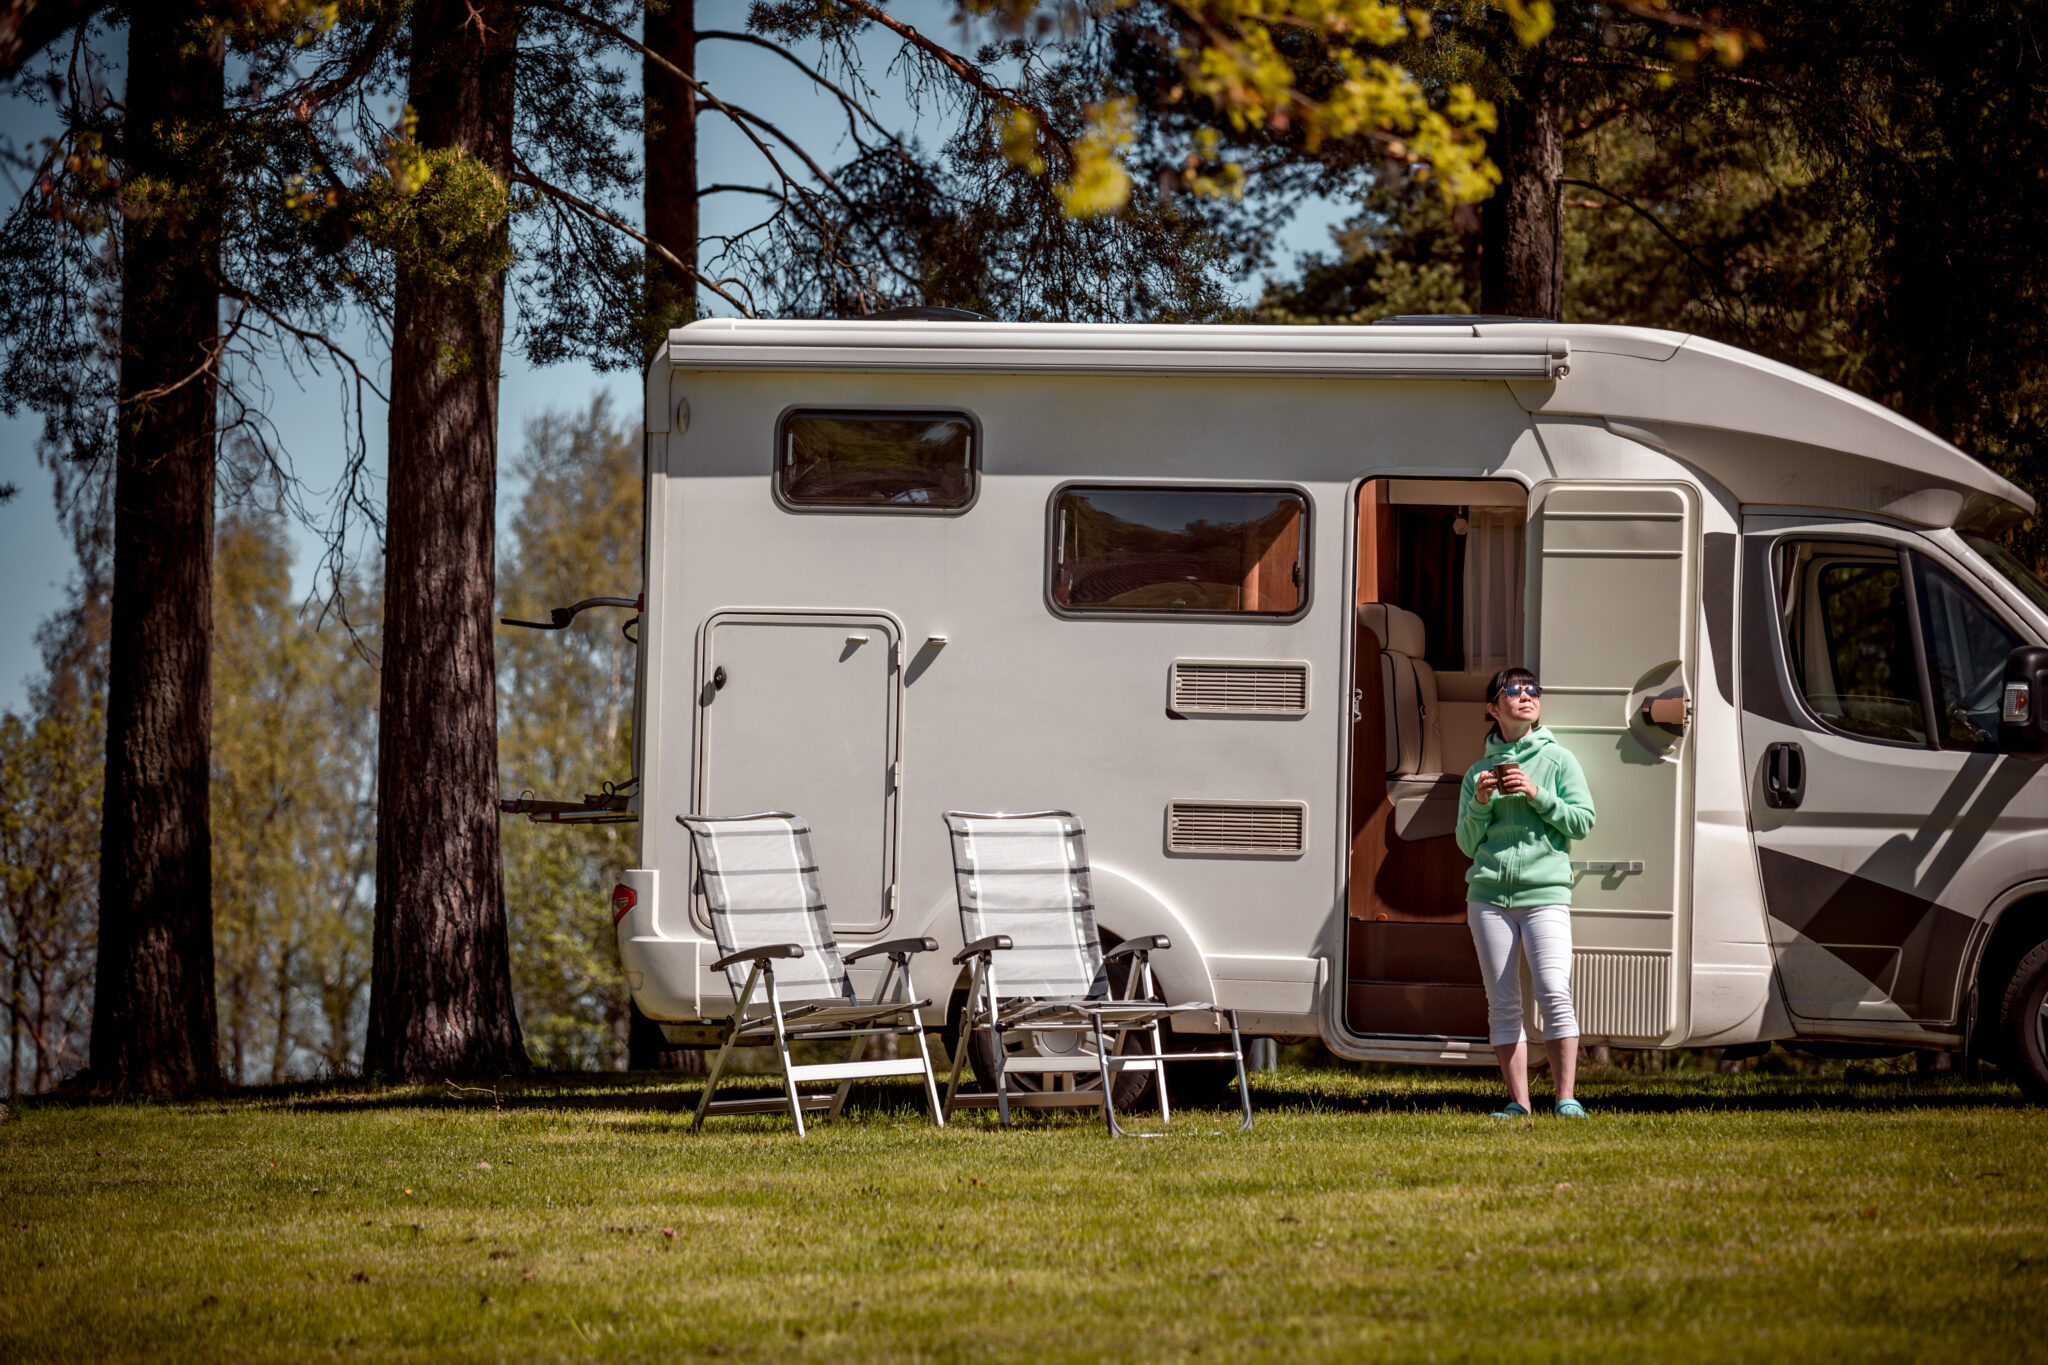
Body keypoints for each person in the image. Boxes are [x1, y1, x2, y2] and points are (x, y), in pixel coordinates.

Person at [1455, 667, 1597, 1119]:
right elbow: (1465, 843)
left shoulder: (1559, 760)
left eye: (1532, 689)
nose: (1526, 695)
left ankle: (1566, 1098)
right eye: (1513, 690)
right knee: (1503, 1002)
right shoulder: (1477, 772)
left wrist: (1537, 794)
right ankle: (1519, 1103)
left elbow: (1582, 821)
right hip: (1488, 896)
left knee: (1555, 990)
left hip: (1546, 894)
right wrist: (1479, 804)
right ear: (1493, 709)